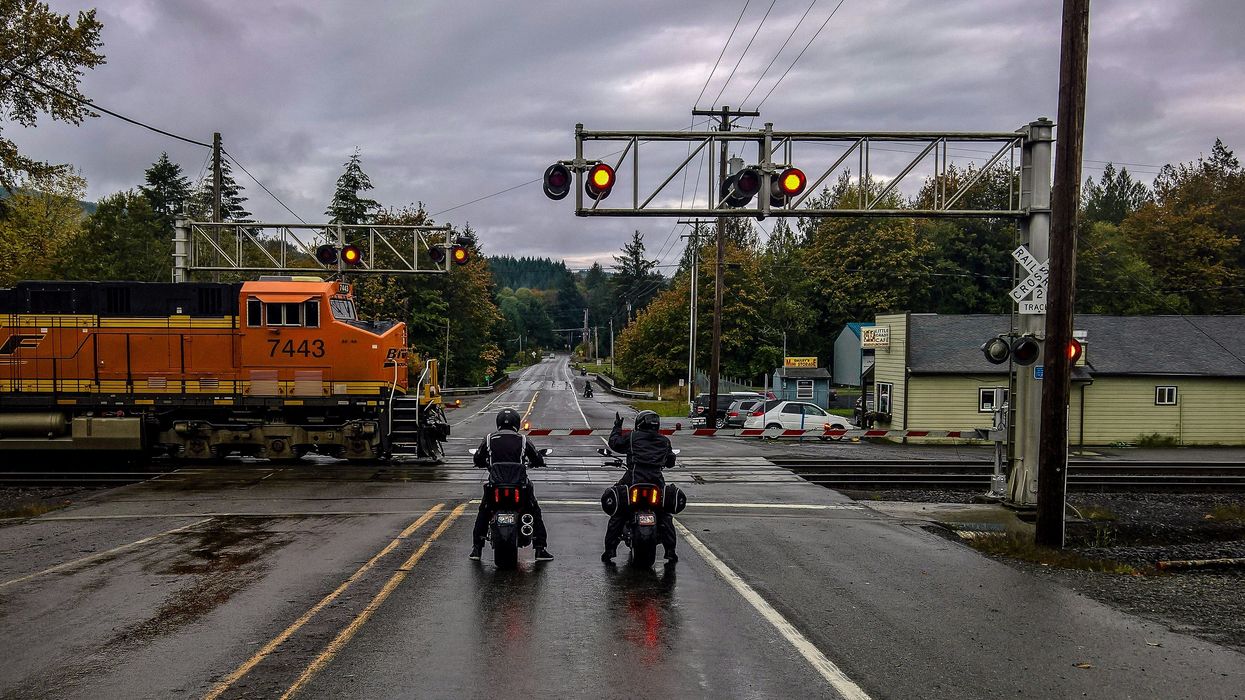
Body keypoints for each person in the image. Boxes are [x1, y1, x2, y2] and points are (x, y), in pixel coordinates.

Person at [470, 408, 553, 562]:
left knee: (484, 510)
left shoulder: (489, 439)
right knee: (534, 510)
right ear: (517, 422)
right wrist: (539, 462)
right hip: (519, 486)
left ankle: (477, 548)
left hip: (495, 485)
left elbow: (478, 458)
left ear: (498, 422)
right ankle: (540, 549)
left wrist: (482, 462)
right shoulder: (522, 439)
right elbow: (535, 457)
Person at [603, 409, 678, 563]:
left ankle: (610, 550)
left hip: (633, 480)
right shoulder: (664, 441)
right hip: (656, 482)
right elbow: (670, 462)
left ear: (640, 423)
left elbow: (614, 443)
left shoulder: (632, 438)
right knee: (664, 515)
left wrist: (617, 427)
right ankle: (670, 552)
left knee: (619, 512)